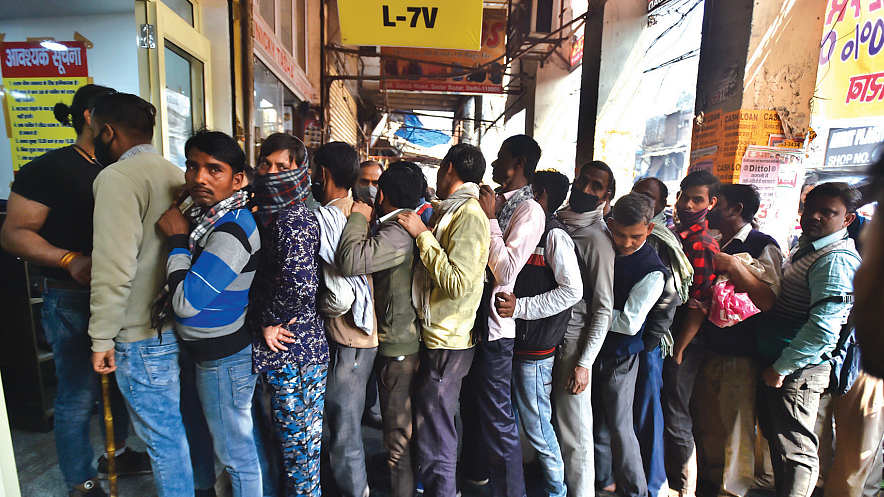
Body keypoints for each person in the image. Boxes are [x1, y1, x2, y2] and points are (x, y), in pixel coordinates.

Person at [0, 84, 149, 497]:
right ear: (93, 120)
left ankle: (116, 454)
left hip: (118, 296)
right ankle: (80, 481)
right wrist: (69, 259)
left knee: (117, 387)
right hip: (70, 296)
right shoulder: (50, 169)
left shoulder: (118, 168)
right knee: (78, 394)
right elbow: (13, 234)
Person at [86, 92, 193, 496]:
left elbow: (113, 266)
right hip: (175, 324)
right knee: (180, 432)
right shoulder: (174, 173)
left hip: (140, 336)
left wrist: (100, 337)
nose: (95, 140)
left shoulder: (117, 178)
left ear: (109, 133)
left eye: (95, 133)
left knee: (163, 442)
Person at [155, 131, 262, 497]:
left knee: (237, 456)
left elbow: (186, 303)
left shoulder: (231, 230)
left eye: (213, 169)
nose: (199, 177)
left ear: (237, 180)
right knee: (222, 444)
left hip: (223, 360)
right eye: (192, 166)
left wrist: (175, 241)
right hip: (207, 355)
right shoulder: (211, 218)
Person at [755, 182, 862, 497]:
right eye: (810, 208)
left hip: (798, 369)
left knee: (796, 449)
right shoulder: (808, 246)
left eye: (828, 212)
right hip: (781, 362)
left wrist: (782, 368)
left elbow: (823, 329)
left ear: (847, 220)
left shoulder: (835, 259)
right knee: (781, 444)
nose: (814, 216)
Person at [397, 143, 490, 497]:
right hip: (440, 334)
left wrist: (422, 236)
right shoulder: (452, 209)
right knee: (435, 424)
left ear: (448, 168)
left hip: (448, 339)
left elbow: (456, 283)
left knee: (438, 430)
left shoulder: (468, 214)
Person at [460, 134, 545, 497]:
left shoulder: (529, 211)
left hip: (497, 328)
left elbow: (507, 271)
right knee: (474, 409)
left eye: (501, 159)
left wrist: (491, 219)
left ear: (520, 163)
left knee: (498, 420)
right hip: (475, 324)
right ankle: (477, 474)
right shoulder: (496, 200)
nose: (494, 166)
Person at [336, 163, 424, 497]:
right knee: (398, 433)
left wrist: (357, 216)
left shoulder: (397, 233)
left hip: (398, 348)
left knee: (397, 439)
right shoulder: (399, 226)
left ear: (382, 194)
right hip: (398, 341)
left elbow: (350, 258)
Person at [494, 169, 581, 497]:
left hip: (535, 349)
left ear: (540, 192)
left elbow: (572, 291)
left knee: (538, 426)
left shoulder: (553, 235)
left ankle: (556, 491)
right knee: (516, 422)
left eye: (529, 188)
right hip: (518, 343)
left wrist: (521, 308)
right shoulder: (529, 228)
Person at [250, 135, 327, 496]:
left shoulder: (292, 218)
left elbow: (301, 287)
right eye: (266, 164)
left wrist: (268, 319)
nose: (271, 173)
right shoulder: (271, 214)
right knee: (291, 448)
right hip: (290, 349)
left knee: (300, 453)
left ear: (301, 172)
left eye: (283, 167)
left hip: (294, 349)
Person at [694, 184, 782, 497]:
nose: (709, 208)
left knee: (735, 426)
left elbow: (767, 298)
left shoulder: (762, 245)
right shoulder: (712, 240)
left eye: (716, 203)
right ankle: (710, 482)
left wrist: (733, 266)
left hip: (741, 352)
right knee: (710, 421)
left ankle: (733, 489)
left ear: (736, 209)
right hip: (707, 348)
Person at [311, 142, 377, 497]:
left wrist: (315, 309)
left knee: (343, 428)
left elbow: (339, 296)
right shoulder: (359, 210)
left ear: (322, 174)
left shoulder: (329, 218)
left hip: (348, 338)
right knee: (344, 425)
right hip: (363, 336)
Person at [593, 193, 666, 497]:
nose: (625, 242)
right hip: (596, 351)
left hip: (621, 357)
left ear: (649, 229)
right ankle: (604, 479)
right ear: (610, 224)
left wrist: (589, 311)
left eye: (635, 236)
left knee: (622, 429)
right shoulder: (607, 247)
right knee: (597, 421)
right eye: (619, 234)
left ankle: (636, 490)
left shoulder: (652, 271)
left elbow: (630, 322)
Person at [553, 160, 616, 497]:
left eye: (596, 187)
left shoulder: (597, 239)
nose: (586, 190)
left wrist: (584, 362)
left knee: (575, 430)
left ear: (605, 196)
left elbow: (603, 308)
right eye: (585, 181)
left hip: (574, 344)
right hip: (550, 337)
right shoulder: (558, 221)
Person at [662, 170, 720, 497]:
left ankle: (685, 489)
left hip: (685, 338)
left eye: (696, 199)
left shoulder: (701, 242)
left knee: (676, 411)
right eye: (684, 196)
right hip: (670, 334)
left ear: (711, 203)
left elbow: (699, 303)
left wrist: (680, 348)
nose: (686, 204)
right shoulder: (676, 232)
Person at [629, 177, 687, 497]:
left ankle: (655, 483)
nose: (641, 201)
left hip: (648, 340)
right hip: (627, 335)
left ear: (663, 205)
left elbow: (668, 298)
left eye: (649, 198)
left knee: (648, 409)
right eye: (637, 194)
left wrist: (648, 341)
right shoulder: (627, 229)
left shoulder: (661, 239)